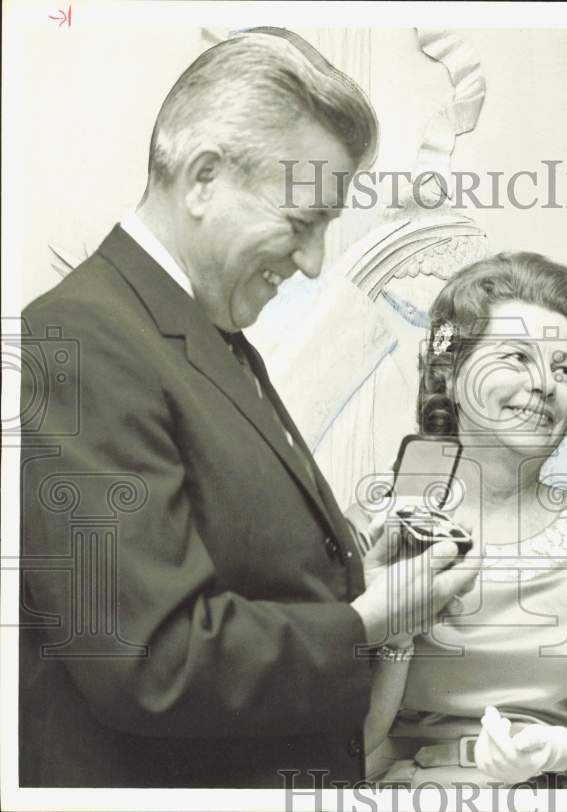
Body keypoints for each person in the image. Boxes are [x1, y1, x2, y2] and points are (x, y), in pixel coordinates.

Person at [19, 28, 475, 788]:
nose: (314, 262)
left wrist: (362, 582)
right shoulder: (77, 340)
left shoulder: (196, 330)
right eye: (303, 223)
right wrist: (368, 622)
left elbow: (238, 572)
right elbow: (148, 660)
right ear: (203, 178)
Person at [355, 252, 567, 787]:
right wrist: (397, 626)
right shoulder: (377, 528)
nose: (545, 385)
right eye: (516, 357)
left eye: (564, 368)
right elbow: (343, 741)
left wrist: (557, 753)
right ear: (450, 373)